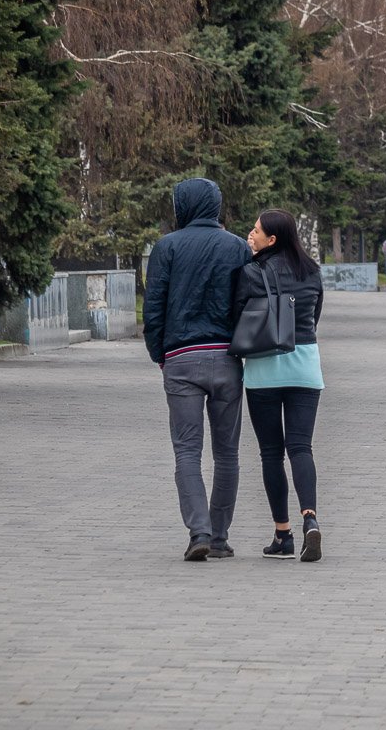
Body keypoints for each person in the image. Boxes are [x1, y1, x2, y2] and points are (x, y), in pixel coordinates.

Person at [143, 178, 252, 561]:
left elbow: (154, 307)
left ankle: (199, 533)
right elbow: (247, 303)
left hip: (181, 360)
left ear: (181, 206)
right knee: (227, 454)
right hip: (226, 359)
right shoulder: (238, 246)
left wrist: (160, 353)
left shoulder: (167, 246)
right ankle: (220, 538)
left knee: (187, 451)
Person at [233, 209, 326, 563]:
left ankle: (282, 534)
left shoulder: (252, 272)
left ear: (272, 239)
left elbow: (237, 316)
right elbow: (313, 317)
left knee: (271, 453)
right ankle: (311, 518)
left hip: (264, 371)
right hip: (305, 367)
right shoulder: (312, 271)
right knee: (301, 448)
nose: (250, 234)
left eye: (255, 231)